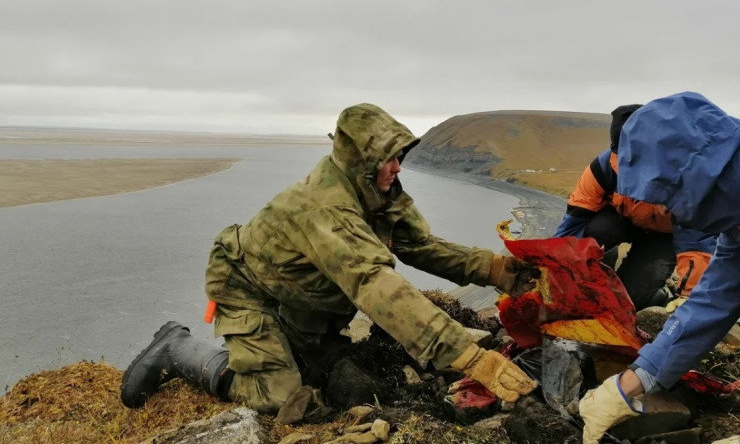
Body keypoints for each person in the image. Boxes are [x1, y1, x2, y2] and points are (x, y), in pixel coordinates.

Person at [121, 103, 538, 414]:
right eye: (387, 158)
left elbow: (422, 247)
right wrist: (468, 356)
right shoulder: (327, 209)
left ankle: (285, 343)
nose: (397, 166)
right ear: (362, 163)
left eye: (400, 156)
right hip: (249, 290)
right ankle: (178, 349)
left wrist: (499, 270)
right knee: (280, 395)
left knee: (324, 373)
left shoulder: (378, 195)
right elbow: (374, 285)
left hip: (298, 297)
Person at [578, 92, 740, 444]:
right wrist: (632, 382)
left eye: (667, 201)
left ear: (690, 180)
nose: (672, 218)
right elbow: (712, 301)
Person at [554, 104, 717, 310]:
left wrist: (689, 295)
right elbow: (574, 221)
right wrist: (550, 266)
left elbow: (696, 243)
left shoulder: (685, 177)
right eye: (624, 155)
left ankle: (656, 295)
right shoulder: (602, 168)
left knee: (626, 304)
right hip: (621, 221)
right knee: (595, 231)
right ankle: (603, 261)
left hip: (666, 236)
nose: (629, 163)